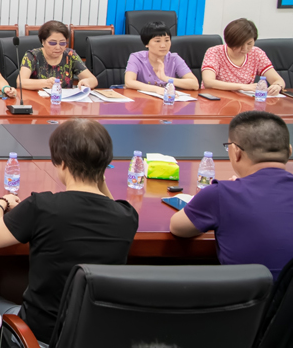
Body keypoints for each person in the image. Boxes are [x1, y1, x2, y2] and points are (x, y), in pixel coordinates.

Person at [0, 119, 138, 344]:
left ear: (62, 163)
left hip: (38, 337)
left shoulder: (41, 207)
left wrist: (1, 202)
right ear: (105, 164)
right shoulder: (127, 217)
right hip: (94, 337)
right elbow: (112, 205)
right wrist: (99, 178)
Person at [170, 111, 293, 280]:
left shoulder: (221, 194)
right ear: (289, 151)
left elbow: (177, 227)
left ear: (236, 152)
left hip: (252, 297)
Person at [201, 18, 285, 94]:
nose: (245, 49)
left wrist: (277, 86)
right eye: (239, 45)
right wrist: (242, 87)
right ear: (229, 42)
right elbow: (208, 82)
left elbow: (278, 80)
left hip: (244, 100)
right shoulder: (215, 52)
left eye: (249, 43)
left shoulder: (257, 53)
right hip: (216, 99)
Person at [18, 20, 98, 91]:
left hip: (64, 101)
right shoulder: (32, 56)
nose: (58, 47)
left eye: (62, 43)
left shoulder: (70, 55)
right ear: (43, 42)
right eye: (53, 43)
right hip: (38, 100)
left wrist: (87, 82)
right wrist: (45, 83)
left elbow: (93, 80)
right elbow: (20, 82)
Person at [124, 21, 199, 94]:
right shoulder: (137, 58)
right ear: (146, 44)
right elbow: (129, 82)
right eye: (157, 41)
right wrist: (157, 89)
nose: (163, 45)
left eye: (167, 40)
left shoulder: (174, 58)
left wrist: (165, 78)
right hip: (142, 100)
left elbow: (194, 84)